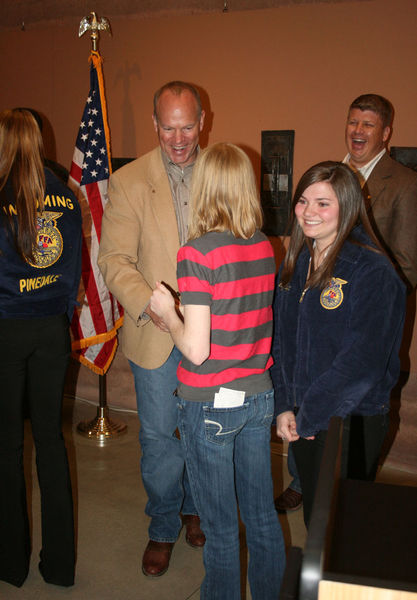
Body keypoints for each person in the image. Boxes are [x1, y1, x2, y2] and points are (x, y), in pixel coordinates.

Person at [150, 142, 286, 600]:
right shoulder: (265, 247)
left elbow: (196, 349)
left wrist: (168, 313)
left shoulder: (198, 252)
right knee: (262, 515)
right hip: (258, 396)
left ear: (205, 187)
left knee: (222, 528)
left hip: (209, 402)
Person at [98, 81, 206, 577]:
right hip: (155, 333)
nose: (178, 138)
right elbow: (115, 260)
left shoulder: (220, 171)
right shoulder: (129, 180)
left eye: (187, 127)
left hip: (211, 333)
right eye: (168, 128)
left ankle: (196, 508)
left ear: (202, 121)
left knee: (206, 432)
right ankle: (163, 524)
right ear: (155, 124)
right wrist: (156, 307)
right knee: (161, 436)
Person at [271, 161, 406, 528]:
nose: (309, 212)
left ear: (347, 206)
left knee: (343, 527)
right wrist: (284, 405)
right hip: (304, 416)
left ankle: (336, 588)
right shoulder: (296, 263)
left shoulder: (372, 271)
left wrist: (309, 414)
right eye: (303, 201)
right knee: (317, 522)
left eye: (323, 203)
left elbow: (362, 362)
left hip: (352, 419)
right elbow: (281, 342)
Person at [0, 108, 82, 587]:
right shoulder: (67, 199)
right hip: (53, 330)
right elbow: (71, 271)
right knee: (50, 440)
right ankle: (60, 567)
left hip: (7, 330)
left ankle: (10, 564)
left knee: (8, 444)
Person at [344, 93, 417, 292]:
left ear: (385, 134)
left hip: (369, 306)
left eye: (368, 125)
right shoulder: (328, 177)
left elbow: (407, 269)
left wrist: (371, 304)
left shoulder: (407, 183)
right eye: (353, 122)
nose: (358, 130)